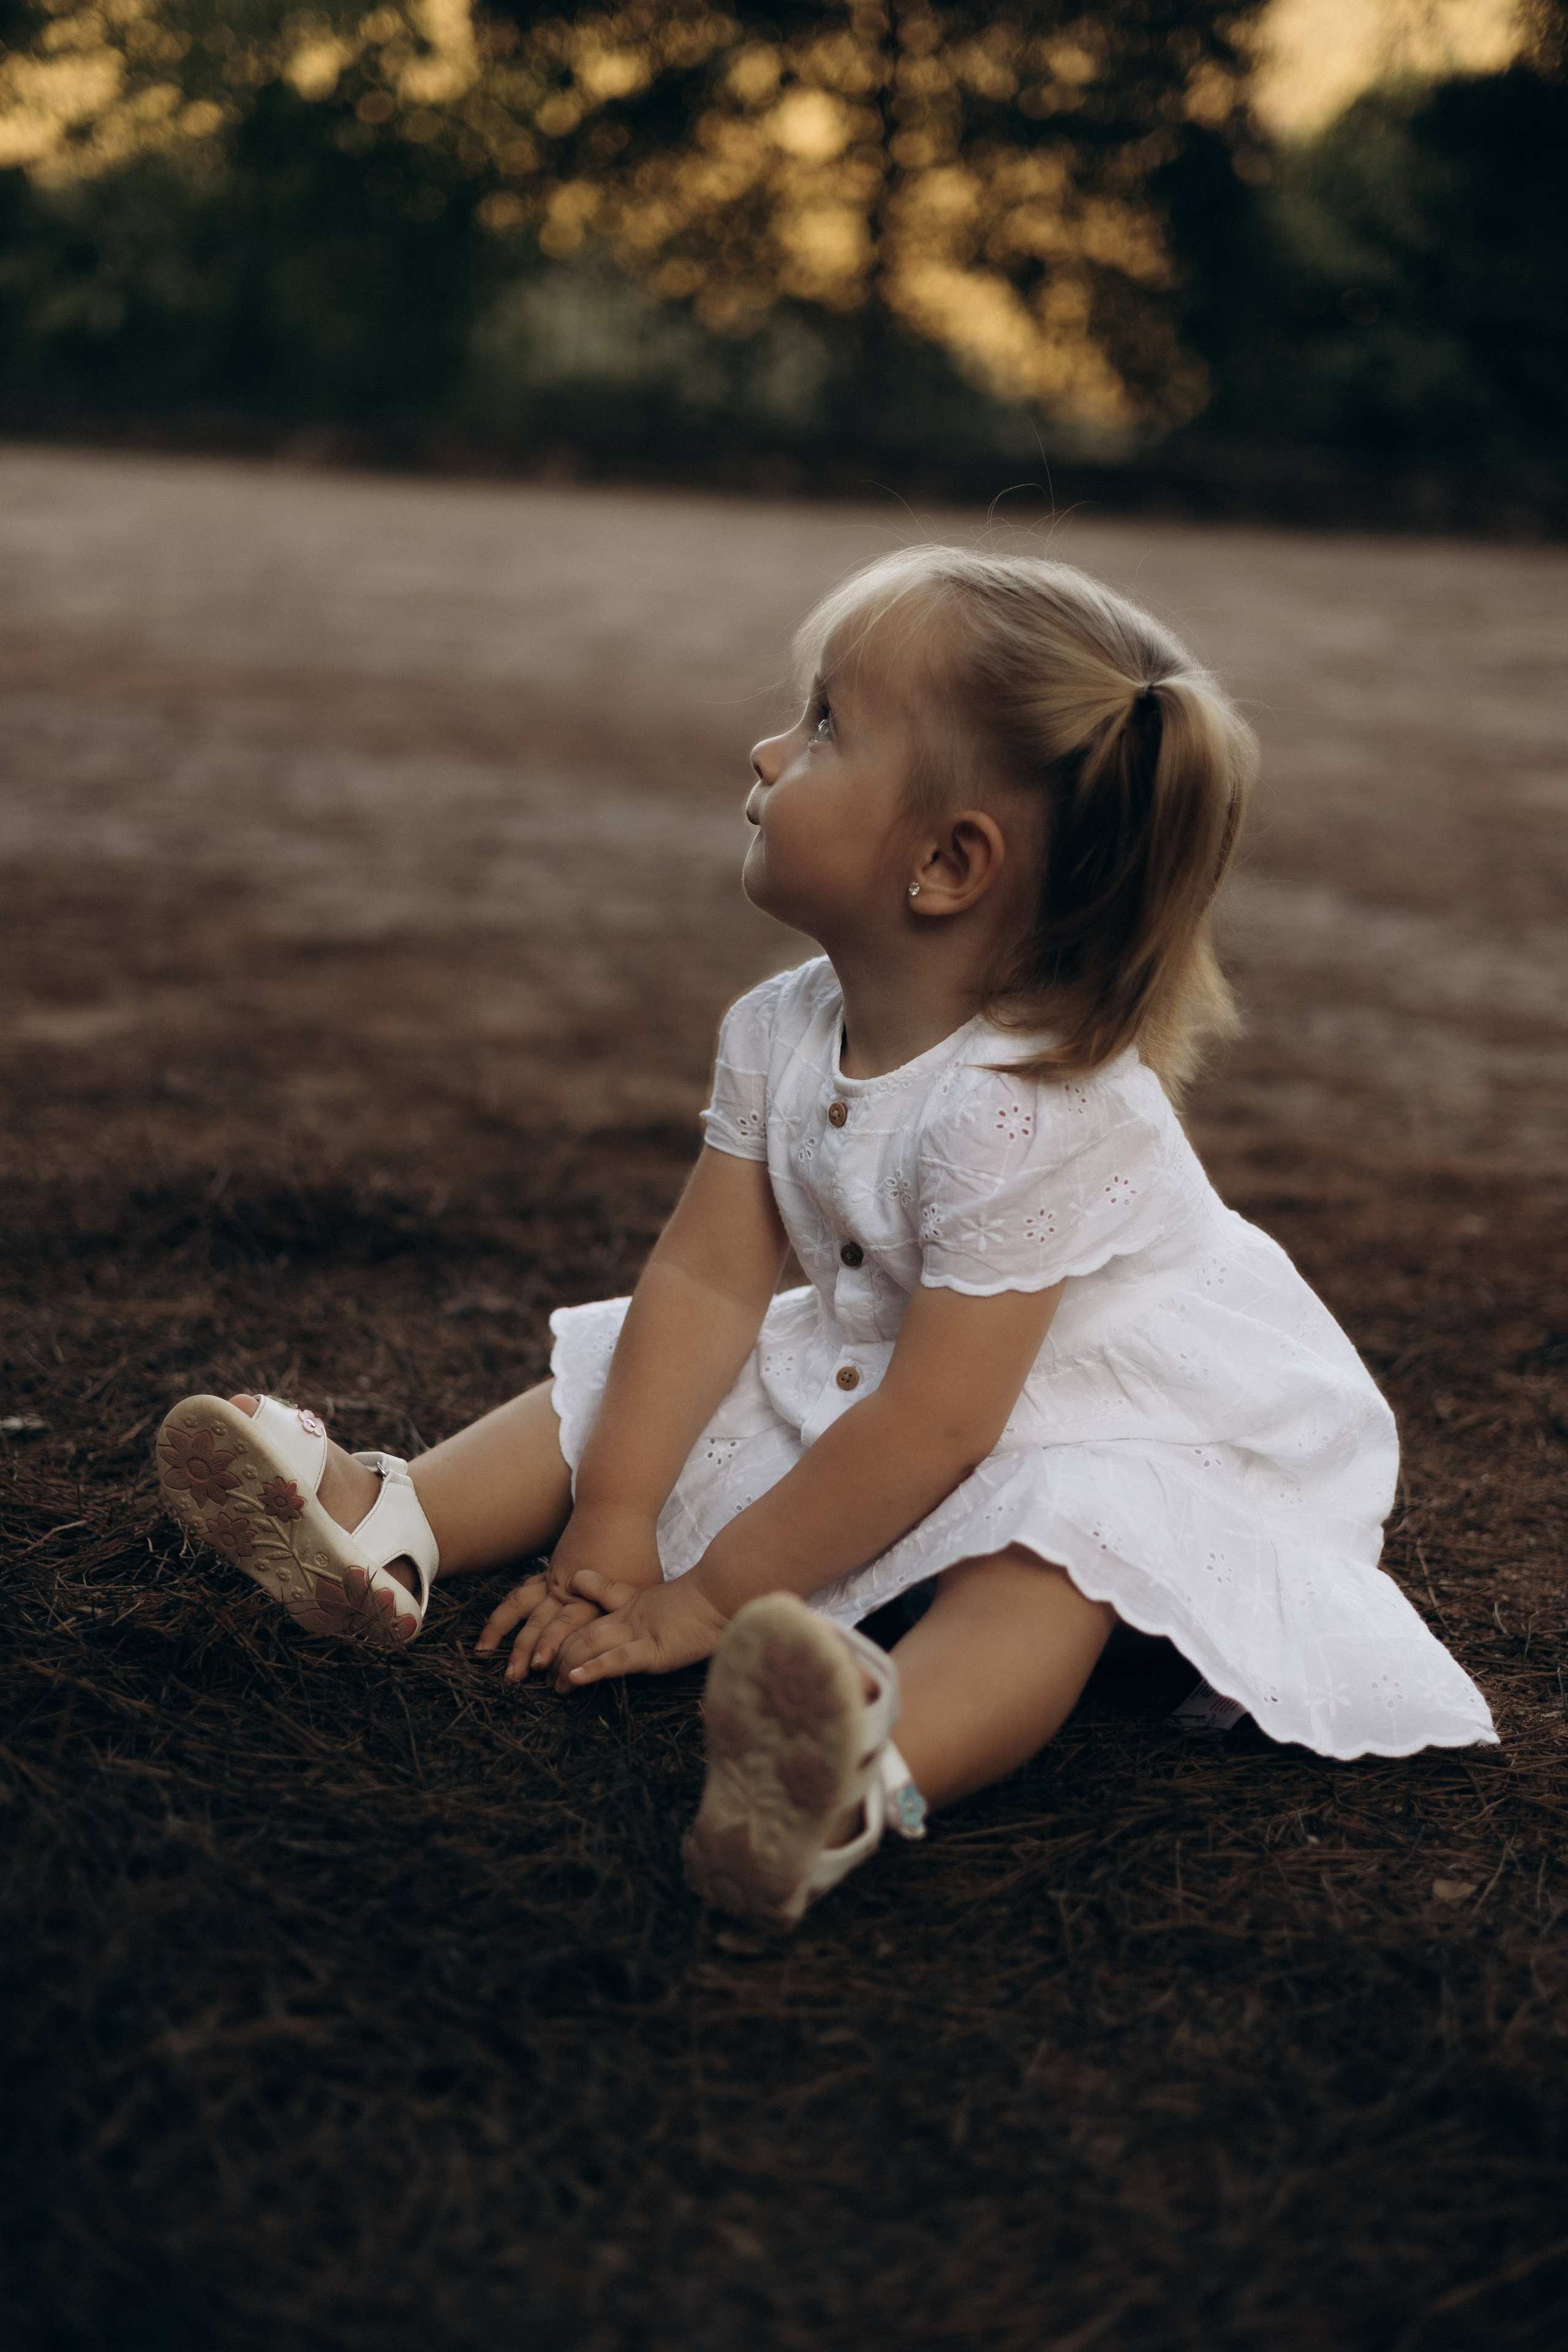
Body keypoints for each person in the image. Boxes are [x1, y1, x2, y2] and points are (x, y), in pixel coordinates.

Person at [156, 546, 1496, 1926]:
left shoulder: (1033, 1109)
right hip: (905, 1366)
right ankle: (394, 1523)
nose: (766, 746)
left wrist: (710, 1596)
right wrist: (614, 1526)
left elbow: (941, 1429)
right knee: (628, 1361)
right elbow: (703, 1275)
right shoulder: (782, 1023)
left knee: (1055, 1553)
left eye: (823, 726)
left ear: (945, 862)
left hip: (1099, 1412)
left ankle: (865, 1762)